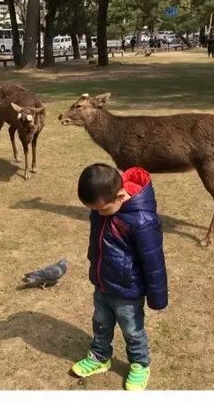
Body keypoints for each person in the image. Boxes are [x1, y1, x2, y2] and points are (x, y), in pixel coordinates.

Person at [71, 163, 168, 390]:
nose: (98, 213)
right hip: (103, 283)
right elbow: (97, 241)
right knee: (101, 322)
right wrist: (94, 263)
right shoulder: (101, 208)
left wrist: (158, 297)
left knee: (132, 329)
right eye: (94, 209)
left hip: (128, 290)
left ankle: (140, 364)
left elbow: (154, 262)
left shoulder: (142, 221)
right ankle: (100, 356)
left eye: (102, 209)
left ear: (121, 195)